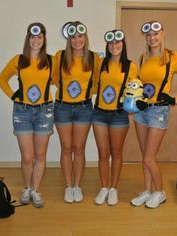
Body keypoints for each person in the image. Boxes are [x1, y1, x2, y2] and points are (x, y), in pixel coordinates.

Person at [130, 20, 177, 208]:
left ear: (162, 34)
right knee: (144, 154)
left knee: (148, 158)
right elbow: (140, 84)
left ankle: (159, 192)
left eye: (156, 34)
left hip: (159, 111)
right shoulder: (142, 58)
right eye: (149, 35)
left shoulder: (172, 57)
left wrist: (176, 99)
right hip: (142, 111)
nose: (152, 38)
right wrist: (138, 98)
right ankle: (147, 190)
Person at [0, 22, 58, 208]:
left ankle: (35, 189)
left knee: (40, 154)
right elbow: (1, 79)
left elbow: (57, 80)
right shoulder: (18, 60)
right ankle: (26, 187)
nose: (36, 41)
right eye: (33, 37)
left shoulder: (51, 60)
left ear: (44, 40)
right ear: (28, 39)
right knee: (27, 156)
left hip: (44, 111)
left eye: (40, 37)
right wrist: (13, 95)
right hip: (22, 111)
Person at [54, 21, 100, 203]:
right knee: (66, 147)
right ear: (69, 39)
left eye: (80, 36)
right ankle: (68, 186)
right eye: (73, 37)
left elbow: (98, 81)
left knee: (79, 148)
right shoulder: (60, 56)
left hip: (84, 108)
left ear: (85, 37)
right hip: (62, 107)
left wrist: (85, 92)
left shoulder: (93, 57)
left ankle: (77, 185)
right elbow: (54, 79)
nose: (77, 40)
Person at [93, 30, 138, 206]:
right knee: (103, 154)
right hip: (99, 114)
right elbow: (93, 85)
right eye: (111, 43)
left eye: (118, 43)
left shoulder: (130, 66)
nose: (114, 46)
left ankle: (113, 189)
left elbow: (135, 90)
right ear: (107, 46)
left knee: (116, 154)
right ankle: (104, 187)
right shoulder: (100, 63)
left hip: (119, 115)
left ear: (123, 44)